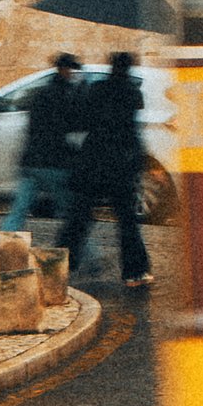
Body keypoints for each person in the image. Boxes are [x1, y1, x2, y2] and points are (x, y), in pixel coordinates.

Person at [65, 50, 152, 287]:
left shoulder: (97, 89)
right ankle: (134, 271)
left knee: (80, 216)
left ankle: (61, 264)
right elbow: (132, 132)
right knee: (126, 220)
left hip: (94, 160)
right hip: (120, 165)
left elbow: (81, 118)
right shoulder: (133, 93)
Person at [0, 52, 87, 235]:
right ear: (64, 70)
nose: (75, 73)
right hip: (53, 163)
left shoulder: (43, 92)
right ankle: (91, 260)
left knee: (19, 211)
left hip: (32, 161)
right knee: (73, 215)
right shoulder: (65, 96)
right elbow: (71, 127)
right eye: (73, 69)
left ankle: (3, 249)